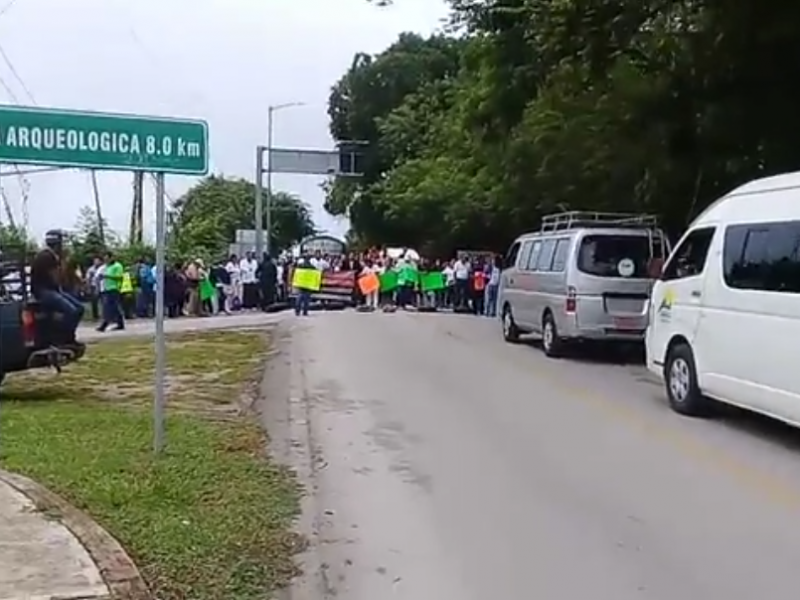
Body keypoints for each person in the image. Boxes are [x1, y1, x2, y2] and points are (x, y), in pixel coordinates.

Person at [29, 229, 85, 342]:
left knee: (80, 308)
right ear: (57, 243)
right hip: (43, 291)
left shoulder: (51, 255)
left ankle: (68, 334)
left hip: (52, 289)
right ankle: (63, 336)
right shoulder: (47, 256)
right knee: (72, 311)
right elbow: (57, 279)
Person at [96, 250, 125, 332]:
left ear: (111, 258)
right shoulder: (107, 267)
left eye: (107, 258)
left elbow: (119, 277)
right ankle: (120, 323)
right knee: (115, 307)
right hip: (107, 288)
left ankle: (104, 324)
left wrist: (106, 276)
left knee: (108, 307)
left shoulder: (117, 266)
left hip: (114, 288)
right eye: (105, 259)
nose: (106, 260)